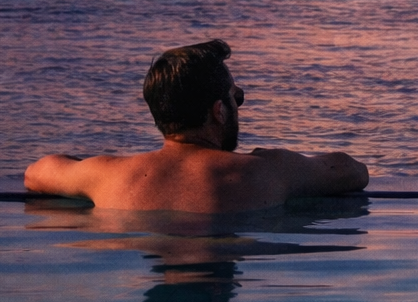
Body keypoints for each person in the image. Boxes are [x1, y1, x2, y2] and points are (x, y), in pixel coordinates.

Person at [24, 39, 369, 212]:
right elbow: (353, 171)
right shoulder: (265, 172)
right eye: (237, 97)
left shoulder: (106, 175)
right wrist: (275, 158)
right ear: (219, 111)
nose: (239, 105)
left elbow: (36, 173)